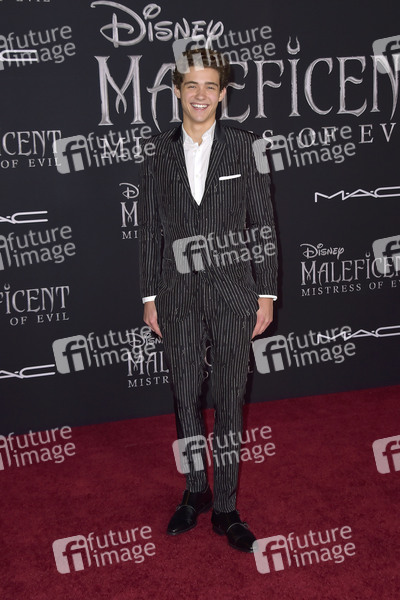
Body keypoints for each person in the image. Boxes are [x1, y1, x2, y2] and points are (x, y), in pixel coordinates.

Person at [138, 47, 278, 553]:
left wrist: (266, 292)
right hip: (175, 294)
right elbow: (149, 229)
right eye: (191, 85)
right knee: (184, 396)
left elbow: (262, 223)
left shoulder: (245, 146)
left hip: (234, 290)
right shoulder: (157, 150)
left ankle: (226, 507)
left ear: (222, 93)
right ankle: (195, 490)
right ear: (177, 90)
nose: (201, 95)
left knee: (231, 397)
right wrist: (149, 296)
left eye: (210, 86)